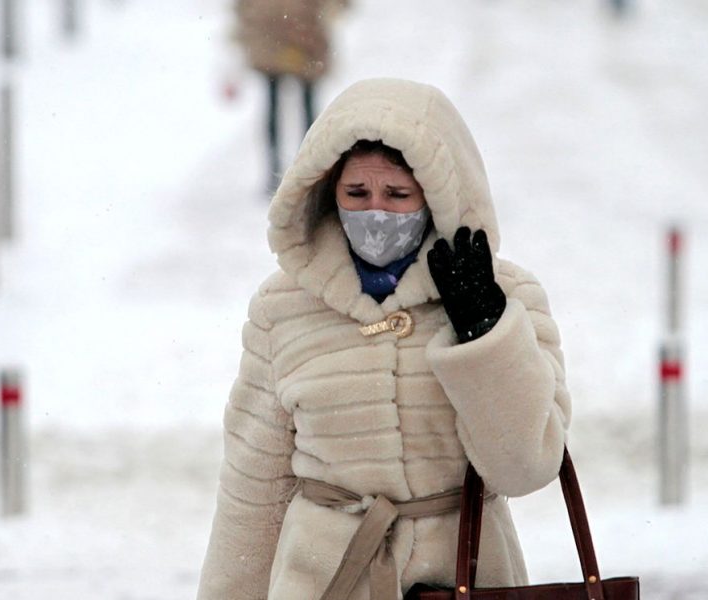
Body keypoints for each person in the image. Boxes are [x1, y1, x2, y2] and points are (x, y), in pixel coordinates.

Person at [197, 78, 572, 600]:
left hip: (466, 578)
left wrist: (484, 335)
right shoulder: (282, 308)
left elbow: (526, 467)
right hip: (326, 582)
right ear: (329, 195)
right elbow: (253, 490)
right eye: (357, 193)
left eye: (397, 195)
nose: (375, 212)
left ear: (437, 197)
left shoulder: (506, 296)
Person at [232, 0, 344, 191]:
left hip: (302, 34)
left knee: (302, 108)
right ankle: (281, 170)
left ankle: (307, 169)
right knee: (280, 106)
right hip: (281, 34)